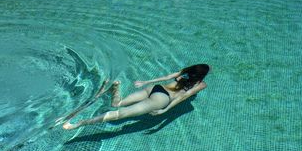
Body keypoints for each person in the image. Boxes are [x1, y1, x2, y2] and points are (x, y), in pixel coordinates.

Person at [62, 64, 210, 130]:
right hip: (161, 99)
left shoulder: (185, 71)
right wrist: (165, 111)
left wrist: (146, 82)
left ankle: (116, 86)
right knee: (119, 115)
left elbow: (166, 77)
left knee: (117, 103)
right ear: (203, 75)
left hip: (155, 88)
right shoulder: (201, 84)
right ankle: (77, 125)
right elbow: (182, 98)